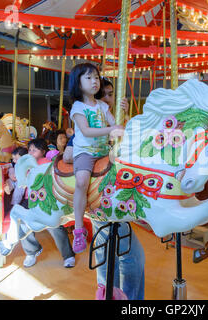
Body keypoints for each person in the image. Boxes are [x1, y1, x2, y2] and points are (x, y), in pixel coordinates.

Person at [93, 76, 145, 300]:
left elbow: (132, 141)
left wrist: (127, 116)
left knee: (108, 254)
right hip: (104, 190)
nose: (109, 98)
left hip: (113, 189)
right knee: (129, 256)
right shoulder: (95, 119)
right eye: (104, 94)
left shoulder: (113, 118)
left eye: (111, 93)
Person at [68, 63, 125, 254]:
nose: (94, 81)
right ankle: (78, 228)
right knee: (82, 181)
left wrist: (121, 118)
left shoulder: (102, 105)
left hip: (103, 151)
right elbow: (85, 130)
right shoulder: (78, 107)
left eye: (96, 77)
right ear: (78, 82)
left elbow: (114, 125)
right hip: (85, 152)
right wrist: (112, 129)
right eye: (89, 77)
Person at [16, 138, 75, 268]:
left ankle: (68, 255)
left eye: (34, 150)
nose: (31, 152)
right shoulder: (27, 164)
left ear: (43, 151)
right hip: (30, 199)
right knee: (23, 221)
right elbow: (18, 178)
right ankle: (31, 251)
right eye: (29, 150)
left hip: (47, 198)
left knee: (55, 225)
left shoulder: (48, 163)